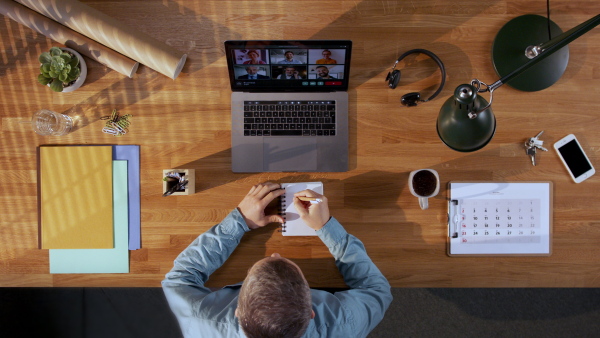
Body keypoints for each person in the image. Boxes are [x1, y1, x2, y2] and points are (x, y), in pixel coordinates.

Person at [162, 182, 392, 338]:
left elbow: (178, 280)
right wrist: (326, 226)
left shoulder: (202, 322)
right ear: (311, 312)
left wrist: (239, 221)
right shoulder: (344, 324)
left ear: (237, 311)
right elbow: (377, 290)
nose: (276, 254)